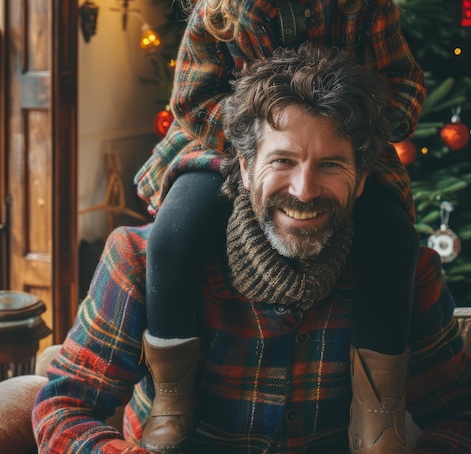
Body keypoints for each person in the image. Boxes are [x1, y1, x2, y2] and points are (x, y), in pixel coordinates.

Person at [133, 0, 426, 452]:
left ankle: (378, 412)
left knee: (394, 237)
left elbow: (404, 83)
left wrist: (362, 133)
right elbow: (191, 100)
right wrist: (247, 147)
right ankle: (174, 397)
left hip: (343, 155)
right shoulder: (217, 6)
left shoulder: (363, 1)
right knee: (175, 235)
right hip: (221, 151)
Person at [33, 45, 470, 454]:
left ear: (359, 180)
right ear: (244, 168)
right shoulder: (139, 260)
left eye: (331, 165)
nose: (304, 190)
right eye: (282, 161)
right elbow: (63, 408)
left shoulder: (404, 274)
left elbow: (461, 416)